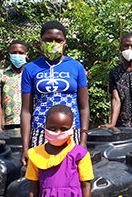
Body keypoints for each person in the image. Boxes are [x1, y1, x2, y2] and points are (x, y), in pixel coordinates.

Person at [21, 20, 90, 166]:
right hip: (41, 131)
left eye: (58, 40)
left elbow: (84, 107)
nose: (53, 43)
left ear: (64, 42)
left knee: (70, 173)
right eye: (48, 40)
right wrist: (25, 147)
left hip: (71, 131)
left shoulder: (76, 67)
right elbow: (26, 111)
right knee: (42, 174)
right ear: (40, 42)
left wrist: (83, 140)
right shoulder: (30, 69)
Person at [0, 39, 29, 131]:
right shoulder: (0, 75)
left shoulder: (32, 73)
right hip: (9, 125)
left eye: (21, 53)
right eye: (14, 53)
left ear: (26, 55)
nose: (17, 55)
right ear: (9, 55)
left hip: (30, 123)